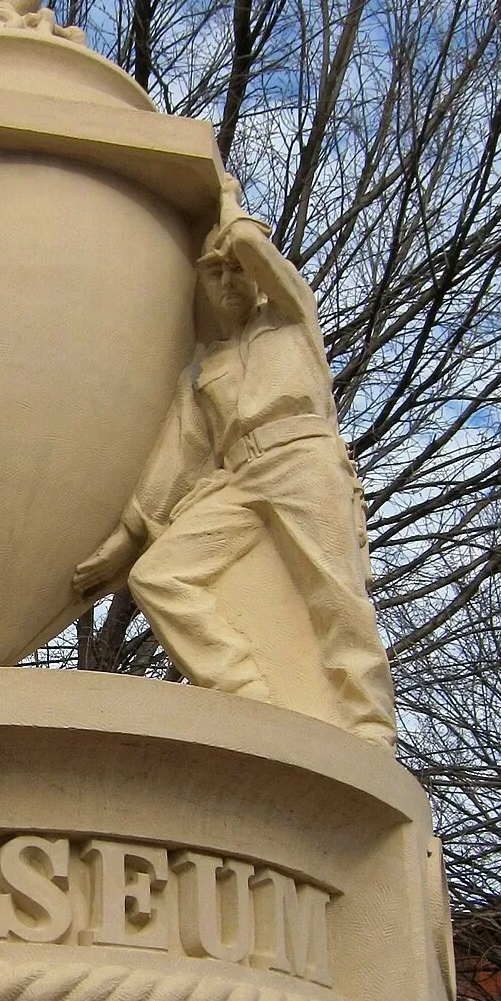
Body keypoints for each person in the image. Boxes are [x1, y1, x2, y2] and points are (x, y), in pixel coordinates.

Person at [72, 180, 396, 748]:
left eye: (235, 270)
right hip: (240, 479)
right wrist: (125, 537)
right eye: (213, 272)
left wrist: (226, 202)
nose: (227, 281)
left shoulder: (294, 321)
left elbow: (251, 244)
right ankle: (249, 695)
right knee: (158, 577)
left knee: (333, 590)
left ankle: (368, 722)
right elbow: (178, 455)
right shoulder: (204, 366)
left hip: (303, 460)